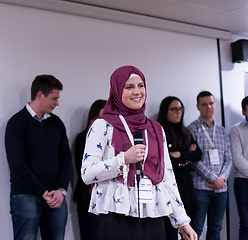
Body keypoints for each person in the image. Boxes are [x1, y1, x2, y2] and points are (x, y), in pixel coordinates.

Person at [81, 65, 197, 240]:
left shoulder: (156, 128)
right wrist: (123, 160)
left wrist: (181, 222)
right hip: (117, 215)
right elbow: (87, 174)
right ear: (117, 91)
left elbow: (167, 178)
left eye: (140, 85)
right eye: (129, 87)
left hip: (153, 213)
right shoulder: (102, 125)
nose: (137, 92)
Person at [5, 74, 72, 240]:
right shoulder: (17, 123)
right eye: (54, 98)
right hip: (26, 195)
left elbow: (66, 158)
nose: (57, 103)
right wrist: (43, 192)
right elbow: (17, 164)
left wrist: (61, 190)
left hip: (56, 196)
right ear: (40, 95)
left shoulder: (57, 123)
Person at [187, 91, 233, 239]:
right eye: (204, 104)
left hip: (221, 189)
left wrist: (221, 179)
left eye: (211, 103)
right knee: (196, 227)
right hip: (201, 187)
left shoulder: (222, 130)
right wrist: (214, 179)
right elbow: (193, 160)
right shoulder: (191, 130)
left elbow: (229, 159)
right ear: (198, 107)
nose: (209, 107)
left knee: (216, 228)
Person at [157, 96, 202, 240]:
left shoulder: (185, 132)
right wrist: (185, 158)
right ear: (165, 111)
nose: (179, 112)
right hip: (168, 187)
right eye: (174, 109)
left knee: (190, 230)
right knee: (170, 231)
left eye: (181, 108)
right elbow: (162, 159)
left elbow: (197, 154)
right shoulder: (159, 131)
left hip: (186, 185)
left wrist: (179, 154)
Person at [73, 99, 107, 240]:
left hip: (110, 200)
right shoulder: (83, 138)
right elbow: (86, 173)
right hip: (89, 198)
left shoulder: (116, 140)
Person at [229, 96, 248, 240]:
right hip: (244, 182)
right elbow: (237, 158)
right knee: (246, 224)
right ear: (243, 112)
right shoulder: (236, 130)